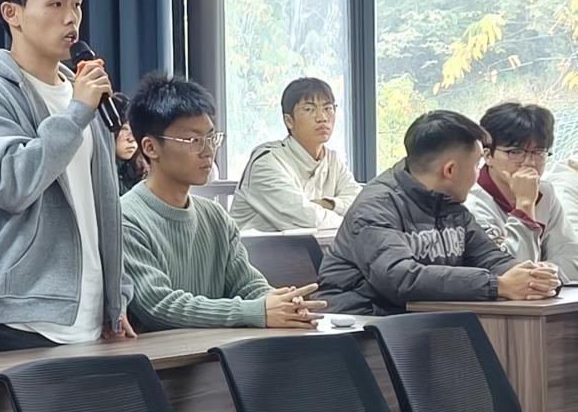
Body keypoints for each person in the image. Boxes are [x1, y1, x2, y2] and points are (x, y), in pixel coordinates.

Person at [0, 0, 133, 354]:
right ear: (11, 13)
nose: (71, 17)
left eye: (77, 3)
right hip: (12, 318)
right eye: (55, 3)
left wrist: (115, 296)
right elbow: (11, 184)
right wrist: (77, 112)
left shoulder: (81, 92)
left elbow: (102, 203)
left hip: (83, 316)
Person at [120, 74, 323, 330]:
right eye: (193, 140)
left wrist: (280, 303)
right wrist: (255, 311)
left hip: (215, 348)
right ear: (150, 148)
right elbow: (159, 306)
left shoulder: (215, 216)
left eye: (211, 137)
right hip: (161, 353)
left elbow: (247, 284)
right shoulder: (126, 218)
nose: (208, 151)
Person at [319, 110, 561, 315]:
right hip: (360, 325)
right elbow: (399, 278)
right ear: (450, 170)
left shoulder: (449, 204)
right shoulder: (375, 207)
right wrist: (497, 285)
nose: (478, 174)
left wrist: (532, 277)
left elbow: (490, 258)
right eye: (476, 165)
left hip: (421, 322)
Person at [231, 77, 361, 232]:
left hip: (314, 246)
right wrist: (354, 223)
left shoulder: (332, 160)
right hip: (255, 247)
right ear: (289, 120)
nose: (322, 118)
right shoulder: (267, 162)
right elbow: (308, 220)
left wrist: (328, 204)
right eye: (309, 109)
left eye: (328, 108)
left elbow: (362, 204)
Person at [466, 103, 578, 281]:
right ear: (487, 156)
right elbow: (510, 273)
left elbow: (572, 260)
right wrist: (524, 205)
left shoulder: (545, 191)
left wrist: (542, 274)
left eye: (538, 152)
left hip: (545, 295)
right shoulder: (470, 202)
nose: (529, 162)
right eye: (515, 152)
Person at [111, 92, 148, 194]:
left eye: (134, 130)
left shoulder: (141, 169)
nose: (131, 138)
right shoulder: (101, 170)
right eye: (125, 129)